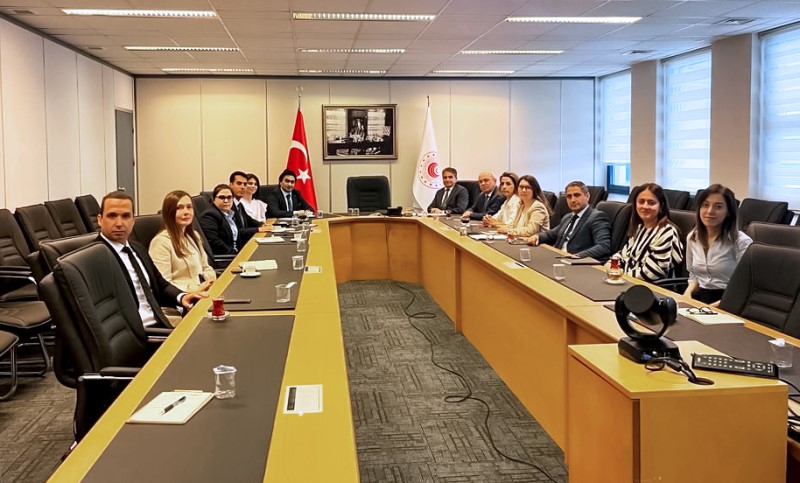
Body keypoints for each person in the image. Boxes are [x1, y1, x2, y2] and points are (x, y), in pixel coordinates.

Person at [96, 191, 204, 328]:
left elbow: (161, 284)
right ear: (100, 220)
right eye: (112, 216)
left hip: (159, 322)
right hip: (137, 332)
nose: (119, 223)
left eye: (126, 216)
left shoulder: (137, 248)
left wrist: (182, 297)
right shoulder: (95, 257)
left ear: (133, 221)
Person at [684, 184, 752, 305]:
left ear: (729, 212)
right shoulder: (693, 238)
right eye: (705, 205)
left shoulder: (741, 242)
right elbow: (694, 275)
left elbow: (746, 286)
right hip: (702, 300)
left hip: (731, 303)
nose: (710, 211)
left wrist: (714, 307)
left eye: (718, 206)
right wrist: (687, 294)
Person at [609, 182, 683, 283]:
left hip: (650, 287)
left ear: (661, 206)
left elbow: (652, 272)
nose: (645, 206)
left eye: (651, 203)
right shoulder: (640, 228)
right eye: (641, 202)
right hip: (629, 281)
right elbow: (623, 255)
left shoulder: (666, 232)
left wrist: (621, 275)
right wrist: (610, 265)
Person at [149, 190, 216, 293]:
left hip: (205, 290)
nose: (186, 212)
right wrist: (195, 290)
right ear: (169, 212)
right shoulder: (160, 243)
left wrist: (209, 279)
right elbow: (164, 285)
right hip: (185, 297)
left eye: (189, 207)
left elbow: (206, 267)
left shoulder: (194, 236)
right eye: (179, 208)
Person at [527, 181, 612, 261]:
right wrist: (537, 236)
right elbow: (551, 234)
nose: (572, 200)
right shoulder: (568, 217)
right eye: (569, 196)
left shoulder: (596, 217)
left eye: (577, 195)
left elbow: (603, 246)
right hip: (558, 257)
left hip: (576, 262)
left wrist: (577, 256)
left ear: (587, 196)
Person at [200, 184, 252, 255]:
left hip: (236, 252)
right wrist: (236, 254)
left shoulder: (229, 214)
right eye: (222, 197)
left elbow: (238, 233)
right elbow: (214, 242)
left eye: (229, 197)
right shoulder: (210, 215)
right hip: (226, 257)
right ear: (214, 199)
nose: (226, 200)